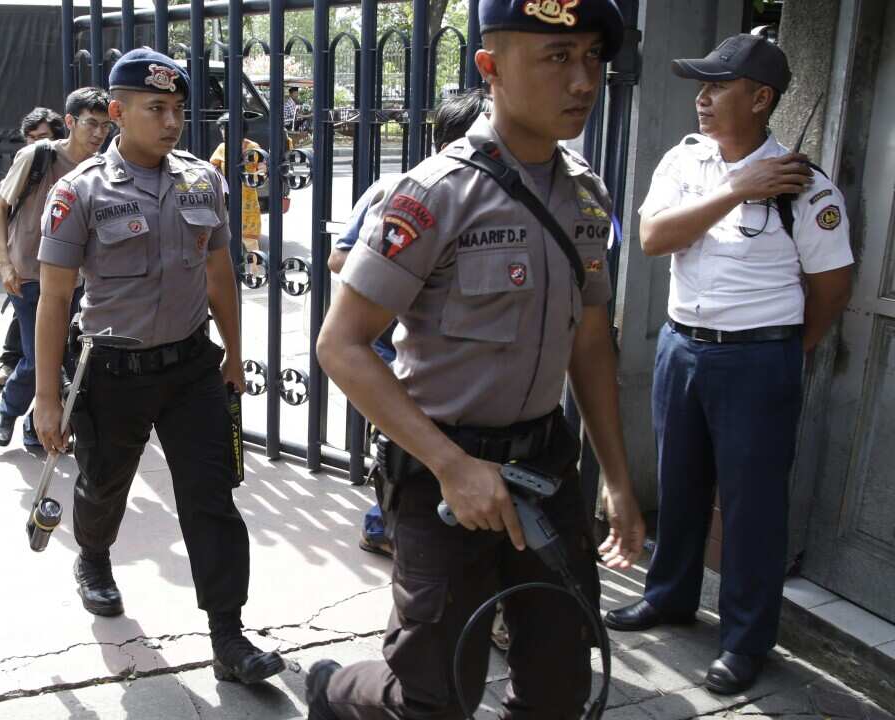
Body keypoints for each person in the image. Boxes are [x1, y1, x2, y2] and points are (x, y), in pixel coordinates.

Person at [307, 0, 646, 716]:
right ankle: (335, 691)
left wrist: (615, 478)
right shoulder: (434, 196)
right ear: (490, 68)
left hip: (544, 470)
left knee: (559, 686)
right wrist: (453, 466)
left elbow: (589, 341)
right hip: (441, 475)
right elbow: (341, 346)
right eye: (557, 58)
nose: (583, 80)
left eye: (591, 57)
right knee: (433, 699)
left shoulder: (586, 195)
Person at [604, 34, 854, 696]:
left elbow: (832, 286)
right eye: (701, 85)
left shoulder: (802, 186)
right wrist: (736, 189)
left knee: (751, 506)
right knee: (679, 485)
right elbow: (654, 238)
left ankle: (745, 641)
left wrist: (787, 349)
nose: (702, 99)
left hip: (759, 358)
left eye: (718, 87)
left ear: (761, 99)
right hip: (682, 347)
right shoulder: (686, 162)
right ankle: (669, 596)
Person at [34, 48, 285, 685]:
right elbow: (55, 298)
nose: (172, 122)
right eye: (156, 109)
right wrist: (46, 398)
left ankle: (228, 636)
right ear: (118, 113)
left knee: (212, 499)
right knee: (103, 486)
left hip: (192, 370)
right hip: (112, 373)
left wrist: (232, 352)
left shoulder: (204, 179)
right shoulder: (79, 191)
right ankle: (92, 556)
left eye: (177, 109)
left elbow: (221, 272)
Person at [328, 89, 492, 560]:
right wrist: (403, 275)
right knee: (400, 444)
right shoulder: (397, 189)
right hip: (390, 348)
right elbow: (339, 257)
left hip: (456, 353)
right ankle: (384, 526)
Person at [0, 88, 111, 448]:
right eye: (91, 123)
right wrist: (5, 264)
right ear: (70, 122)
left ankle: (33, 428)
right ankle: (9, 412)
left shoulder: (99, 169)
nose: (99, 133)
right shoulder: (37, 156)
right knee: (36, 356)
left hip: (75, 280)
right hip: (28, 274)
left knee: (62, 356)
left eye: (106, 126)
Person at [0, 107, 67, 388]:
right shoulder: (28, 165)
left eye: (43, 136)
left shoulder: (76, 165)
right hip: (27, 267)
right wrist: (6, 264)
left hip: (65, 270)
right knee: (37, 355)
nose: (36, 143)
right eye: (31, 138)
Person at [209, 112, 264, 255]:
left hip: (248, 200)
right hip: (226, 199)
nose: (223, 132)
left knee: (250, 240)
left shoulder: (253, 146)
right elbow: (212, 167)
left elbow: (263, 168)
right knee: (225, 238)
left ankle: (255, 273)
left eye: (226, 128)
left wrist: (257, 176)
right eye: (221, 129)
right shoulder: (222, 148)